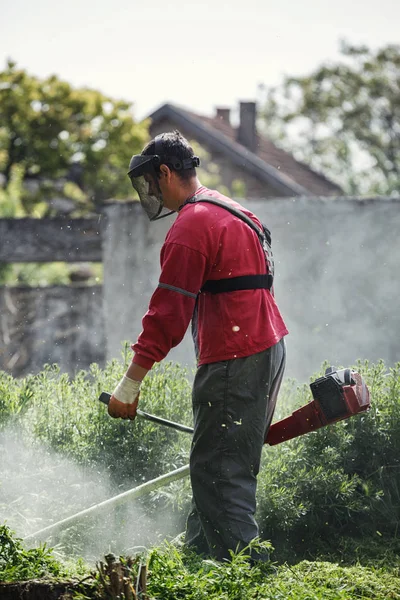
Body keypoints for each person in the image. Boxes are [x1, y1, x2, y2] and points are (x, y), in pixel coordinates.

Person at [108, 130, 288, 562]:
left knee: (220, 470)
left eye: (150, 183)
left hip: (234, 356)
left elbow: (167, 315)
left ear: (165, 173)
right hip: (268, 347)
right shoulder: (233, 210)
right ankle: (197, 558)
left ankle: (244, 573)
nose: (150, 193)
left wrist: (129, 384)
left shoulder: (191, 226)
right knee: (222, 462)